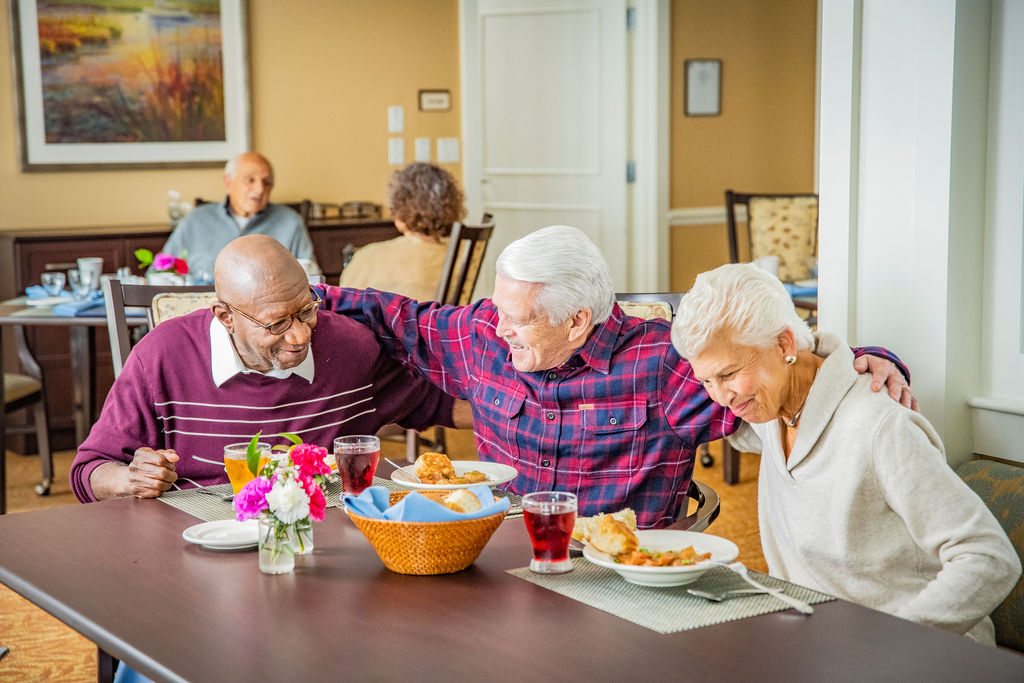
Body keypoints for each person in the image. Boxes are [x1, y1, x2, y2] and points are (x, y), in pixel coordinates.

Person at [320, 225, 913, 529]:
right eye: (497, 309)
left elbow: (789, 370)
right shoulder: (483, 335)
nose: (498, 328)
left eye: (519, 319)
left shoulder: (663, 366)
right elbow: (393, 315)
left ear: (578, 320)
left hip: (621, 580)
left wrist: (873, 357)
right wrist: (300, 297)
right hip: (499, 564)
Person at [671, 263, 1019, 643]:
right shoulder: (768, 410)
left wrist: (890, 648)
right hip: (815, 646)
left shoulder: (881, 427)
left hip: (912, 654)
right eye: (706, 380)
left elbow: (989, 557)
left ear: (785, 344)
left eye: (728, 374)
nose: (721, 396)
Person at [71, 235, 466, 502]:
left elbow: (439, 404)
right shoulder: (161, 356)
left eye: (306, 311)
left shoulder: (350, 347)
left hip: (320, 539)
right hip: (198, 542)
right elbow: (88, 470)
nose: (298, 336)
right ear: (225, 316)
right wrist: (130, 479)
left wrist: (522, 410)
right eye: (276, 323)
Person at [161, 152, 317, 280]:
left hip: (268, 314)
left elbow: (311, 278)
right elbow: (160, 272)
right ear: (228, 183)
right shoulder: (195, 220)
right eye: (250, 180)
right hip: (202, 310)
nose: (260, 189)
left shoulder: (290, 222)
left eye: (267, 182)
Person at [340, 162, 466, 299]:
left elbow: (343, 304)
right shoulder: (461, 253)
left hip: (393, 320)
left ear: (398, 206)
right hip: (443, 320)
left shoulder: (367, 258)